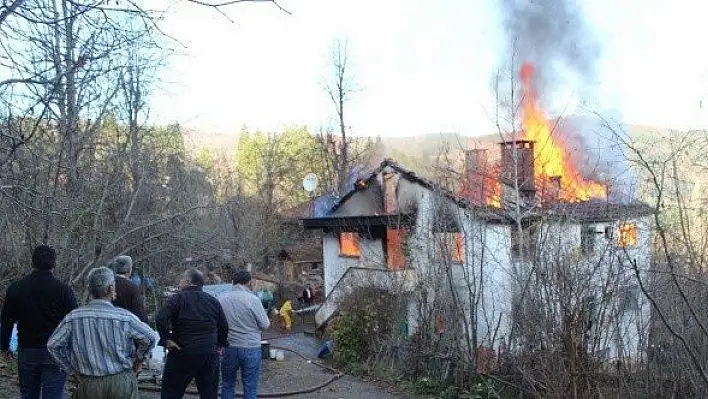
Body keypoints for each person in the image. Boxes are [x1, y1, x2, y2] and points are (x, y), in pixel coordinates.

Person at [47, 267, 158, 399]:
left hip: (88, 383)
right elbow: (150, 337)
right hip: (121, 382)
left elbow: (53, 345)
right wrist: (138, 360)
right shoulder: (124, 317)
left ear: (89, 289)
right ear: (111, 289)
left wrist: (71, 369)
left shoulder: (73, 317)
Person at [0, 244, 78, 399]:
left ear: (32, 263)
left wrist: (4, 346)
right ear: (54, 264)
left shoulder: (16, 288)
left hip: (27, 348)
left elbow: (7, 321)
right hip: (55, 350)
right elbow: (74, 320)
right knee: (53, 394)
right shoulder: (63, 290)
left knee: (28, 394)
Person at [156, 268, 228, 399]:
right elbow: (223, 326)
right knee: (209, 394)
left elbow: (161, 318)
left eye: (182, 279)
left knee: (171, 393)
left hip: (183, 350)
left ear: (188, 281)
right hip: (208, 353)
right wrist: (218, 345)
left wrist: (166, 339)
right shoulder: (213, 301)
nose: (180, 282)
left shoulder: (178, 299)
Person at [218, 271, 270, 399]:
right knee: (250, 386)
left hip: (229, 347)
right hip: (251, 347)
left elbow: (215, 323)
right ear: (248, 283)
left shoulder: (221, 299)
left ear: (233, 282)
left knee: (227, 384)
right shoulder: (253, 299)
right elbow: (265, 324)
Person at [107, 255, 147, 322]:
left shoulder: (107, 285)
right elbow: (140, 315)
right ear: (130, 270)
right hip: (126, 327)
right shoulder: (132, 288)